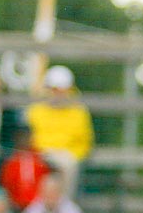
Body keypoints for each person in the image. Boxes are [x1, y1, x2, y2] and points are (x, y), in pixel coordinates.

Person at [25, 65, 94, 197]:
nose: (58, 93)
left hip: (67, 155)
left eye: (61, 90)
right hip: (40, 152)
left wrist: (72, 154)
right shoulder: (37, 109)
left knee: (68, 164)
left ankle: (63, 206)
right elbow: (29, 135)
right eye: (54, 89)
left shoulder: (78, 110)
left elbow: (85, 141)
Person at [0, 125, 51, 211]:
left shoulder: (40, 157)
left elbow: (45, 181)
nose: (24, 140)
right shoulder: (10, 161)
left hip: (39, 204)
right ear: (16, 139)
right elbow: (7, 185)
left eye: (27, 137)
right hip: (16, 205)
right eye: (21, 137)